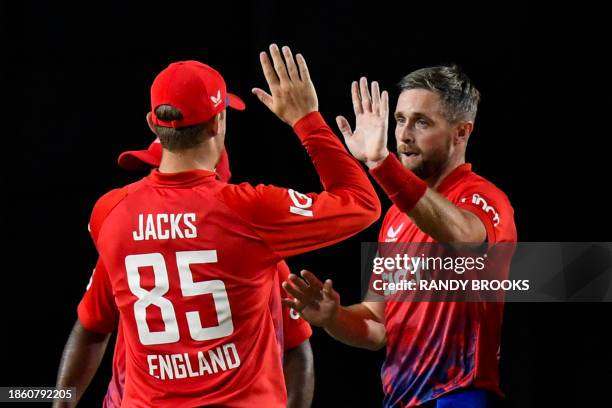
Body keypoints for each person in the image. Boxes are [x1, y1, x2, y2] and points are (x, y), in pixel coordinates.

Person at [54, 44, 380, 407]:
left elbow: (92, 328)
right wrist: (306, 119)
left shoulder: (109, 213)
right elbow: (362, 204)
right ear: (217, 122)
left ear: (152, 124)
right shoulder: (248, 211)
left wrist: (59, 402)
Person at [283, 66, 517, 407]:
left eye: (422, 122)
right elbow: (377, 327)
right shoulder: (396, 215)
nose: (404, 134)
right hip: (400, 399)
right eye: (400, 119)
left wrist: (381, 162)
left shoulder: (483, 197)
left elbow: (462, 237)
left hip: (460, 395)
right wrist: (334, 317)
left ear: (461, 132)